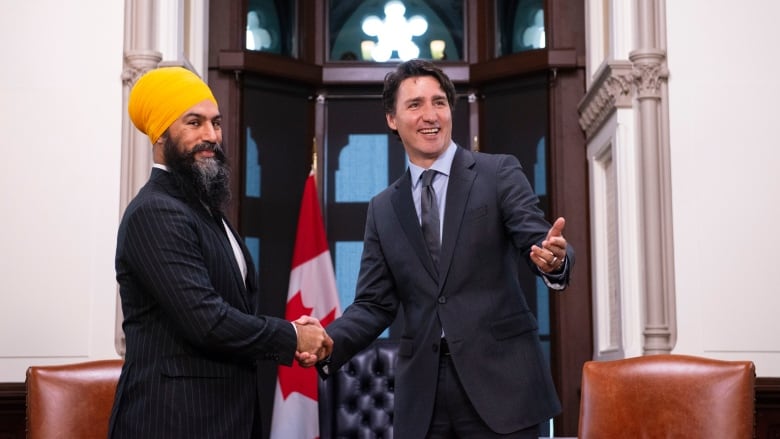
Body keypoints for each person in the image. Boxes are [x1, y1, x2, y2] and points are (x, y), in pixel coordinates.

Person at [309, 59, 574, 438]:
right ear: (392, 119)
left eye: (439, 102)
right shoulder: (383, 208)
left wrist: (555, 261)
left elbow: (540, 241)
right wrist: (328, 341)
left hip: (504, 389)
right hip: (425, 396)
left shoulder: (498, 173)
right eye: (414, 104)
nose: (429, 115)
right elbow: (373, 304)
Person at [109, 66, 331, 438]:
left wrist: (291, 333)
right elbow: (207, 321)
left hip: (227, 417)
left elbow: (230, 310)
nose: (210, 136)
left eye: (216, 123)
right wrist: (291, 336)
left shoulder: (204, 210)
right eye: (194, 123)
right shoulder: (156, 212)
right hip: (174, 422)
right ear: (160, 134)